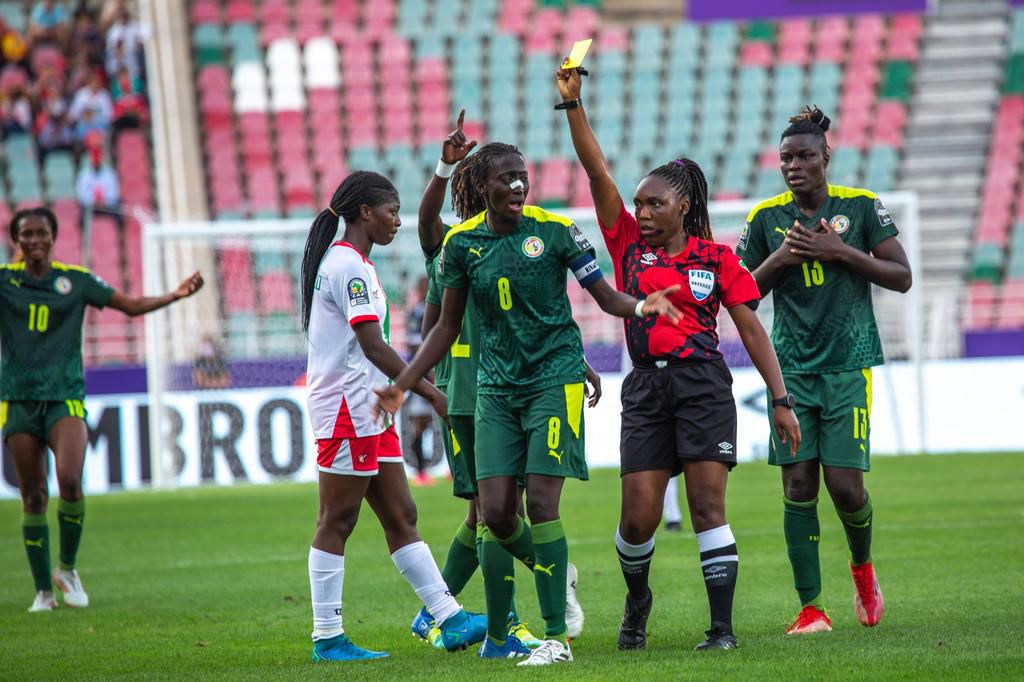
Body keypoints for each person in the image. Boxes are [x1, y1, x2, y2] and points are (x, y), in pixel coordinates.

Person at [374, 137, 683, 666]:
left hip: (551, 382)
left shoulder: (557, 230)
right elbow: (444, 327)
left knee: (538, 504)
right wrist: (405, 382)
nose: (518, 185)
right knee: (493, 513)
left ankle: (554, 639)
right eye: (506, 178)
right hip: (492, 388)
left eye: (523, 176)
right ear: (483, 186)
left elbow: (604, 296)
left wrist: (640, 307)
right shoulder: (461, 246)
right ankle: (521, 612)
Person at [555, 64, 801, 651]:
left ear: (683, 206)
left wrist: (781, 398)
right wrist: (572, 106)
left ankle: (721, 630)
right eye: (637, 203)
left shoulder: (718, 258)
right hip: (644, 389)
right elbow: (597, 173)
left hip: (703, 388)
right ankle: (638, 601)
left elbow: (752, 329)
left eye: (653, 204)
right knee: (638, 519)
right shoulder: (626, 247)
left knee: (706, 506)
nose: (640, 212)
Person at [409, 111, 598, 658]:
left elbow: (538, 318)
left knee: (495, 512)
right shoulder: (454, 244)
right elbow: (427, 228)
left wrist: (573, 361)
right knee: (487, 511)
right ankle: (494, 608)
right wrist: (445, 169)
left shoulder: (522, 239)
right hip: (462, 390)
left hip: (510, 383)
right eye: (483, 183)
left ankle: (488, 621)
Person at [735, 106, 912, 635]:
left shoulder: (859, 209)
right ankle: (811, 608)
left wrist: (841, 251)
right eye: (786, 158)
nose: (794, 165)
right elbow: (739, 294)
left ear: (826, 156)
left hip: (847, 365)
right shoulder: (766, 219)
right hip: (788, 371)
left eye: (804, 156)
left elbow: (901, 276)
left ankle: (863, 572)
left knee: (846, 488)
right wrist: (780, 261)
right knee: (797, 486)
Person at [298, 171, 486, 662]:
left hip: (369, 407)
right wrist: (430, 392)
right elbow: (373, 345)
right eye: (391, 212)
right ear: (364, 212)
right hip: (348, 408)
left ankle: (449, 617)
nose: (398, 222)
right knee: (336, 519)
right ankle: (328, 637)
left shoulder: (352, 263)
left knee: (402, 513)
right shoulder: (348, 267)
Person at [2, 206, 203, 612]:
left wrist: (174, 295)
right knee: (34, 495)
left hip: (65, 397)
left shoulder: (74, 281)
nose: (35, 240)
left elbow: (127, 305)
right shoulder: (5, 282)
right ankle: (43, 590)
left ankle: (68, 568)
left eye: (42, 233)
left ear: (53, 238)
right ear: (16, 241)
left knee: (71, 480)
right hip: (19, 401)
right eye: (27, 235)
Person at [401, 276, 436, 487]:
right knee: (420, 425)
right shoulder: (416, 312)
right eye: (423, 287)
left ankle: (453, 469)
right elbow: (414, 345)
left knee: (440, 423)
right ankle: (420, 471)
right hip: (421, 376)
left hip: (435, 374)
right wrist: (425, 369)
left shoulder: (436, 307)